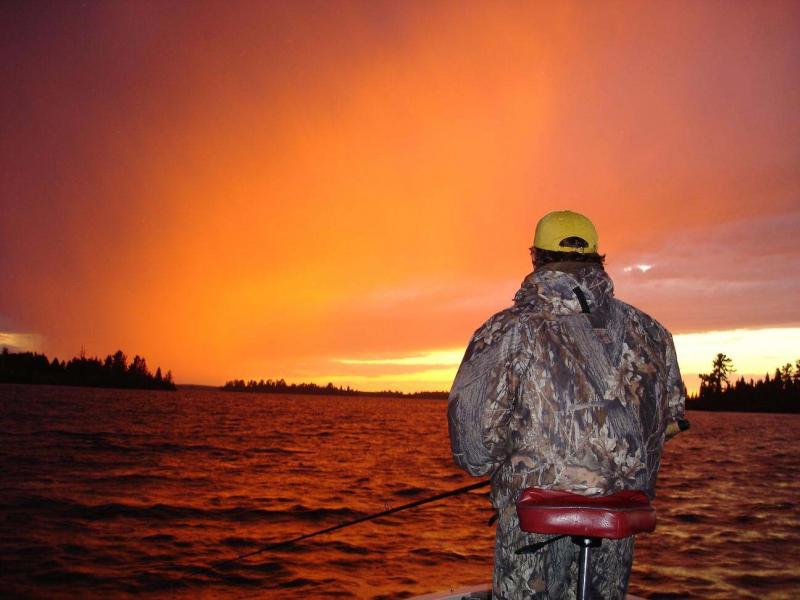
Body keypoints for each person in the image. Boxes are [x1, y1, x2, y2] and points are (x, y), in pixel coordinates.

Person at [447, 210, 686, 599]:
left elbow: (473, 449)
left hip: (533, 520)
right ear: (598, 259)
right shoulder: (653, 332)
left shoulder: (505, 330)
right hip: (621, 518)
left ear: (535, 257)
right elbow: (670, 422)